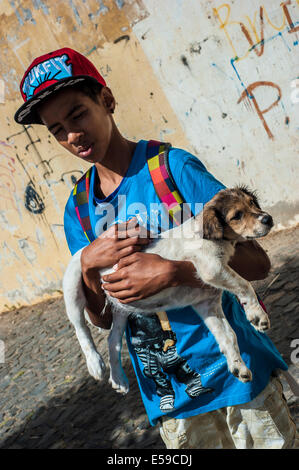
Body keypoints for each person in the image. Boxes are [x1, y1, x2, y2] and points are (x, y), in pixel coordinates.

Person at [14, 47, 298, 449]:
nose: (72, 135)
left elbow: (259, 261)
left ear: (107, 101)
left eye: (77, 114)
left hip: (241, 383)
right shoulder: (79, 211)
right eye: (56, 129)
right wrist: (91, 265)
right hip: (173, 398)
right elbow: (101, 317)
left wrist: (176, 272)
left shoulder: (172, 170)